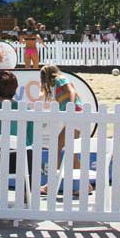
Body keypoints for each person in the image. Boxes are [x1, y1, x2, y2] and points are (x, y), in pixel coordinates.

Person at [0, 70, 34, 198]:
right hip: (19, 160)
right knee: (29, 153)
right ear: (15, 89)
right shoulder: (24, 109)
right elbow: (29, 139)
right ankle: (25, 195)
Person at [39, 65, 85, 195]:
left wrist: (70, 107)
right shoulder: (57, 86)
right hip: (76, 116)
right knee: (72, 152)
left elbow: (72, 91)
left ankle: (51, 184)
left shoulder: (60, 79)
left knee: (56, 147)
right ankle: (86, 186)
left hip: (74, 116)